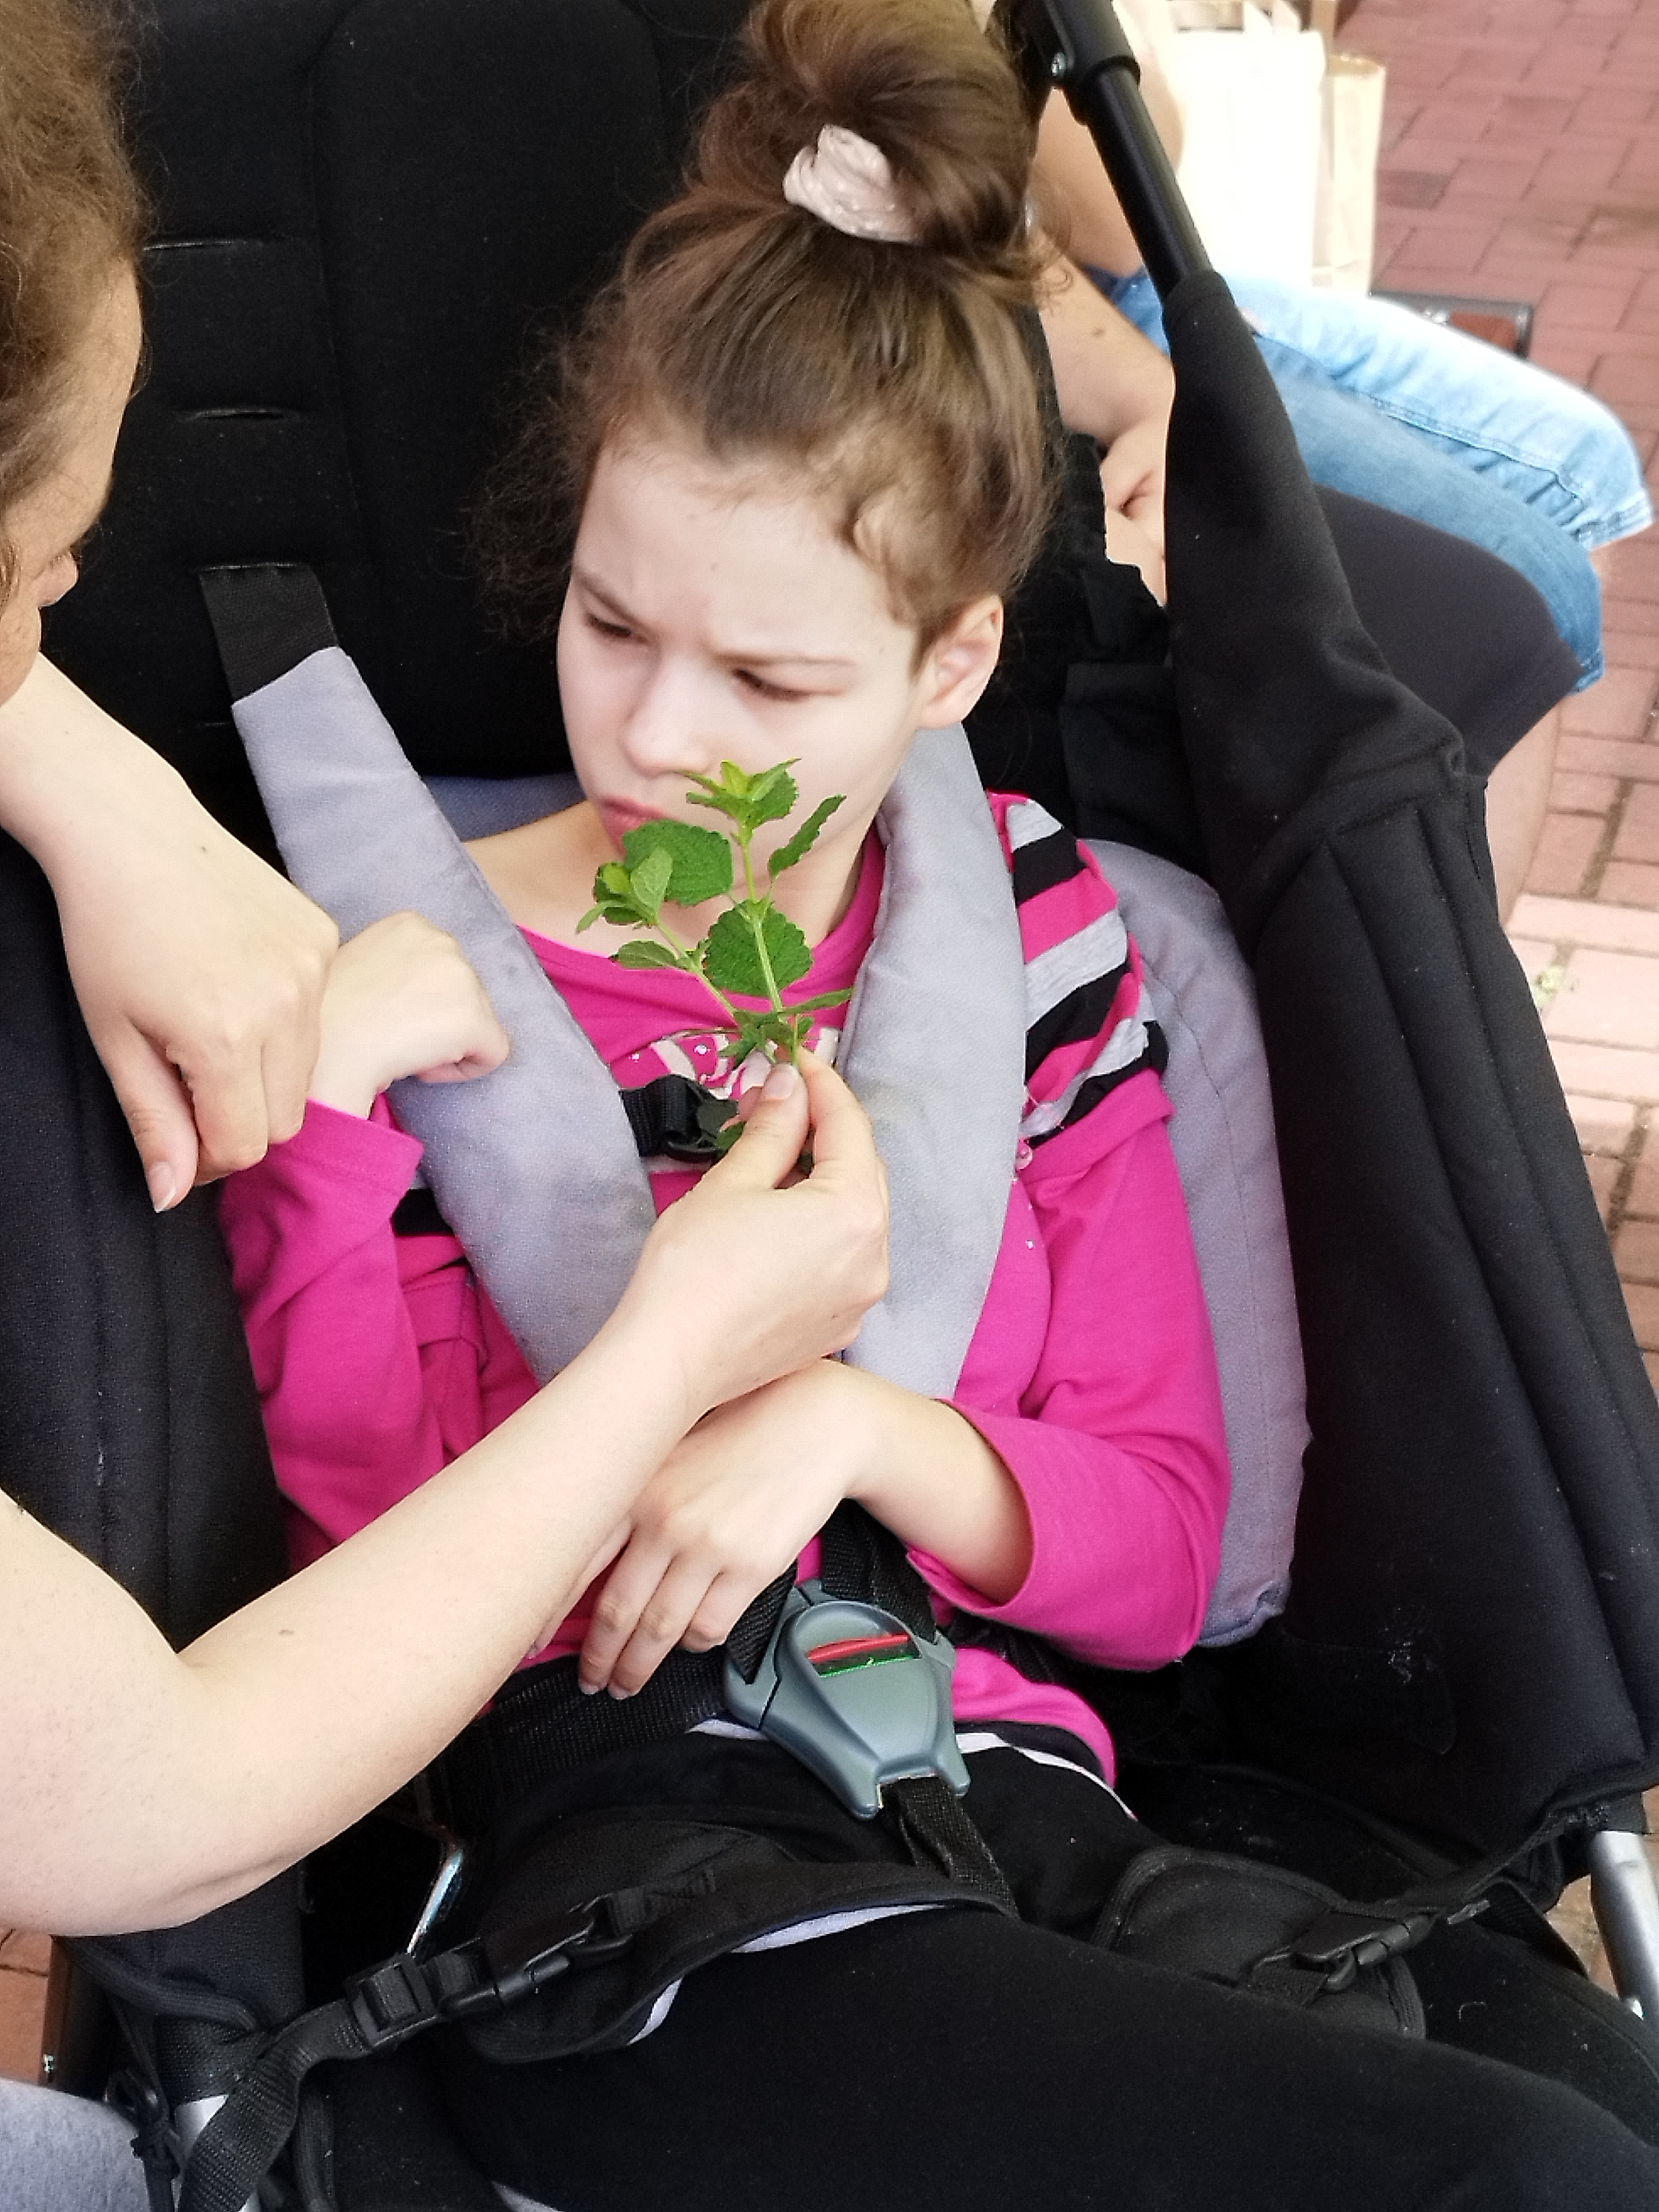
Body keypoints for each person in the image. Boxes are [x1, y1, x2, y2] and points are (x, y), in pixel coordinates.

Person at [217, 3, 1659, 2205]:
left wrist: (855, 1432)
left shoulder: (1045, 956)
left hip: (1034, 1815)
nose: (659, 737)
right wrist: (323, 1124)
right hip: (640, 1864)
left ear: (948, 666)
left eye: (770, 679)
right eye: (610, 625)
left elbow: (1168, 1547)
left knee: (1587, 2117)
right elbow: (348, 1553)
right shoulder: (410, 978)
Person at [0, 4, 890, 2203]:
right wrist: (684, 1344)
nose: (671, 742)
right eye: (33, 582)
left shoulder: (1065, 938)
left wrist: (89, 780)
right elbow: (153, 1789)